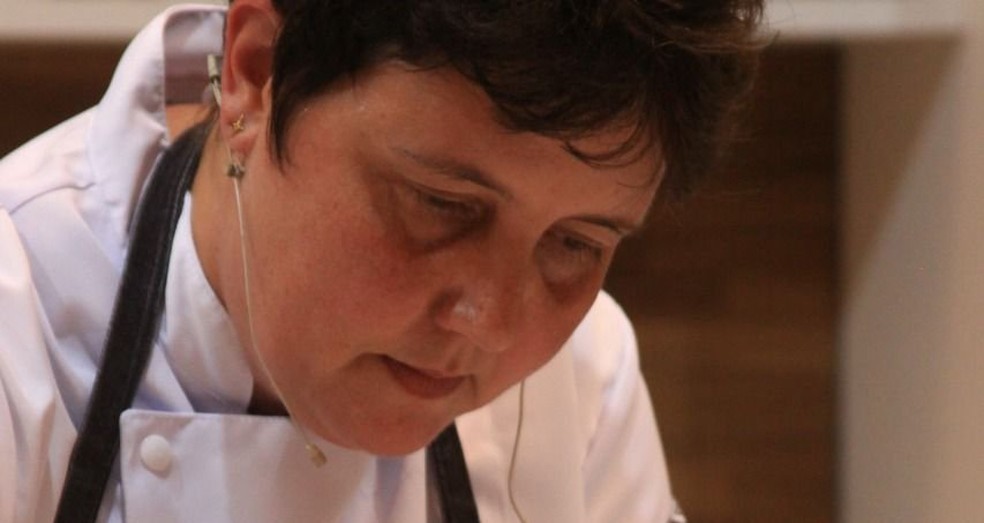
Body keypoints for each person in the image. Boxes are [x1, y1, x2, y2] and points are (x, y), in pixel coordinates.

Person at [0, 0, 763, 521]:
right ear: (255, 74)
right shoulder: (17, 329)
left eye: (576, 243)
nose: (490, 323)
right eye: (442, 203)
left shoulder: (583, 379)